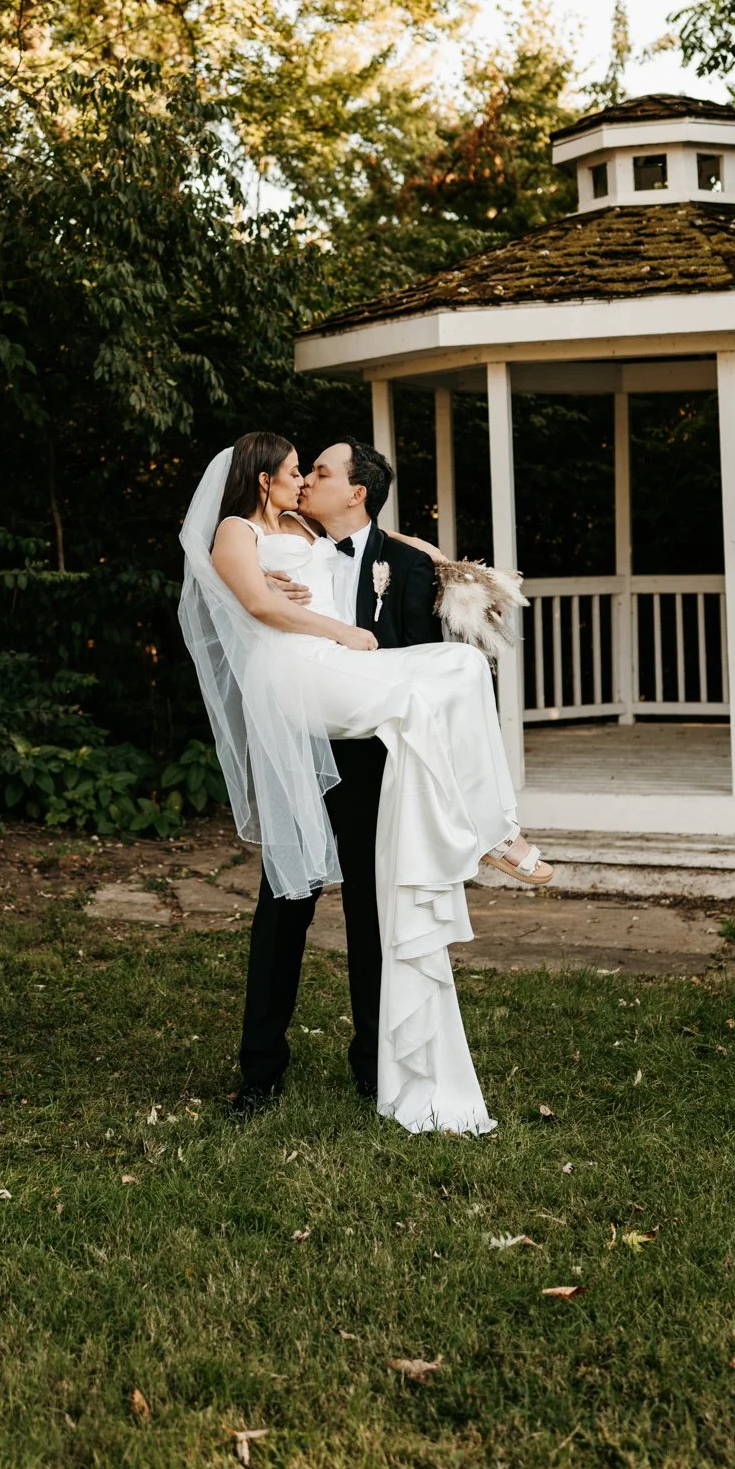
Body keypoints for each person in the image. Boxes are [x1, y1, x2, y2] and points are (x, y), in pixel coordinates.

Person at [178, 432, 552, 1137]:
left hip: (375, 758)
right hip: (304, 740)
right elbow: (241, 592)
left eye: (317, 471)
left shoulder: (352, 545)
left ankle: (375, 1063)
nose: (304, 480)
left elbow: (399, 554)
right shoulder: (247, 531)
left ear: (354, 493)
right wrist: (315, 619)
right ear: (266, 478)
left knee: (373, 915)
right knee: (284, 906)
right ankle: (260, 1068)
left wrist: (430, 557)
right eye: (297, 470)